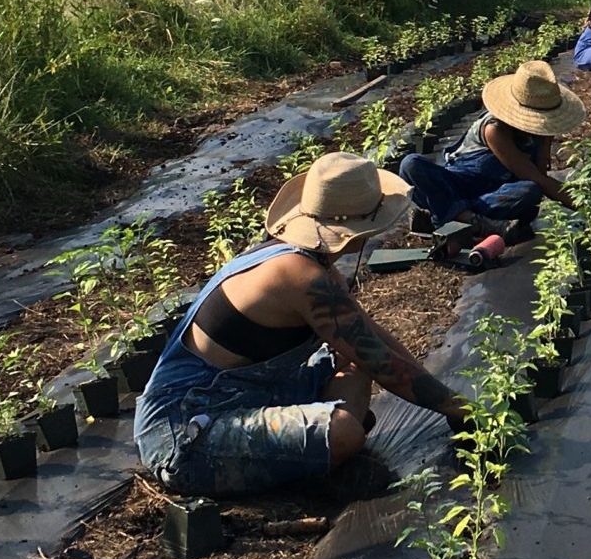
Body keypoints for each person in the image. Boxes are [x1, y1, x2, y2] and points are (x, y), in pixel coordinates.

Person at [135, 151, 471, 497]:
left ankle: (314, 454)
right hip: (185, 431)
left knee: (352, 366)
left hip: (248, 393)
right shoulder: (297, 276)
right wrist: (456, 408)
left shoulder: (309, 264)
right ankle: (320, 459)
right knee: (344, 432)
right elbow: (382, 363)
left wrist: (448, 401)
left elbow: (371, 340)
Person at [397, 60, 585, 240]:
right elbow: (538, 178)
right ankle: (472, 222)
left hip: (493, 197)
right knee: (410, 164)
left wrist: (544, 144)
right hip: (457, 187)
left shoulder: (540, 135)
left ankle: (445, 217)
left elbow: (537, 177)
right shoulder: (494, 129)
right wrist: (584, 204)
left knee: (530, 191)